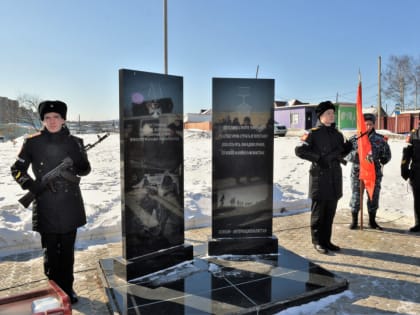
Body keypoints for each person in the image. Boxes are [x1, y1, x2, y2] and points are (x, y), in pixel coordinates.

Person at [10, 100, 91, 304]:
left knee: (67, 251)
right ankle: (54, 290)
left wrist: (80, 161)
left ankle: (68, 289)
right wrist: (31, 185)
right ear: (42, 120)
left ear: (64, 119)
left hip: (70, 205)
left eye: (57, 117)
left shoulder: (76, 142)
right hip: (46, 203)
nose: (52, 121)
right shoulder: (32, 142)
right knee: (50, 253)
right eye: (48, 117)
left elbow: (84, 170)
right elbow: (16, 169)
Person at [295, 101, 352, 254]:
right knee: (318, 213)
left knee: (330, 213)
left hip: (334, 178)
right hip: (320, 178)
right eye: (328, 113)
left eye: (333, 113)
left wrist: (347, 149)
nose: (332, 115)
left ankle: (327, 241)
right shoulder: (313, 133)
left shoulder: (338, 134)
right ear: (320, 116)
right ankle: (317, 241)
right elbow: (299, 150)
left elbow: (340, 155)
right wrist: (319, 158)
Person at [346, 113, 391, 230]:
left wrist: (385, 159)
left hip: (374, 173)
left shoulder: (380, 140)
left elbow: (387, 154)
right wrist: (354, 155)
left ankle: (372, 222)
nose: (368, 127)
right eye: (365, 124)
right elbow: (345, 155)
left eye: (370, 124)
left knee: (373, 197)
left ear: (374, 124)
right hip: (358, 173)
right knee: (356, 197)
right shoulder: (354, 139)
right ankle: (354, 221)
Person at [401, 124, 420, 232]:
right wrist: (404, 169)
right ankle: (418, 223)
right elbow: (406, 153)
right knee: (417, 199)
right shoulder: (413, 134)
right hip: (416, 171)